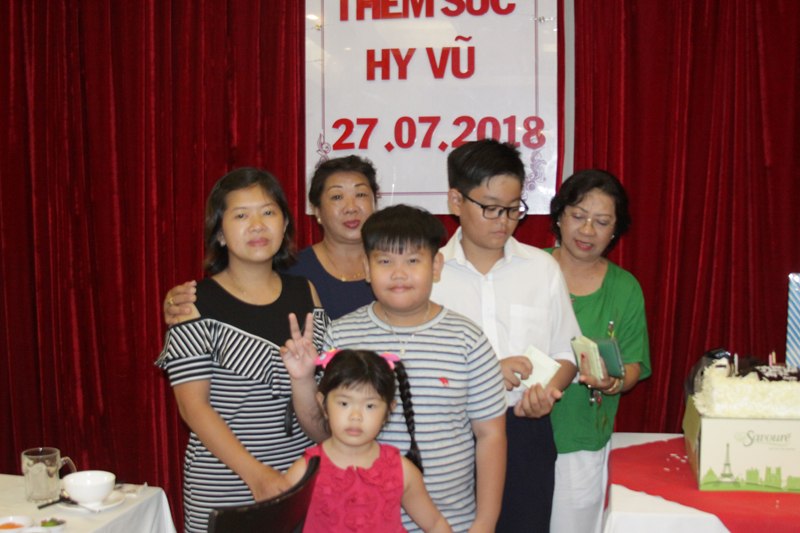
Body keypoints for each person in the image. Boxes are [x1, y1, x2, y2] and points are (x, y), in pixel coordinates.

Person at [282, 204, 507, 533]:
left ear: (436, 266)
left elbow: (491, 435)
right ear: (366, 268)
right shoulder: (341, 336)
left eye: (413, 261)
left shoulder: (467, 339)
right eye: (385, 261)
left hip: (450, 524)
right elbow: (324, 432)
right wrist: (302, 380)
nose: (399, 274)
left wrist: (484, 523)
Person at [155, 167, 328, 533]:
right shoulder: (193, 302)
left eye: (268, 212)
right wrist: (257, 475)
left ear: (285, 224)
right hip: (226, 483)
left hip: (300, 479)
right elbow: (193, 407)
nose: (257, 225)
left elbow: (320, 391)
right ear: (219, 232)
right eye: (240, 215)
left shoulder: (306, 292)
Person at [429, 139, 581, 532]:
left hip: (524, 430)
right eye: (492, 208)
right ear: (455, 201)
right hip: (449, 435)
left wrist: (547, 392)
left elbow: (567, 352)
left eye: (514, 209)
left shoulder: (541, 268)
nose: (505, 221)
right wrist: (483, 374)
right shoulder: (431, 274)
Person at [546, 169, 651, 533]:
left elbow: (634, 365)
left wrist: (613, 382)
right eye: (578, 216)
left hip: (581, 439)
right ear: (559, 216)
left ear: (615, 230)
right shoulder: (528, 269)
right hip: (516, 434)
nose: (587, 230)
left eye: (602, 222)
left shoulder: (625, 288)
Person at [164, 155, 378, 322]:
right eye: (337, 197)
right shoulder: (291, 273)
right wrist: (177, 302)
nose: (351, 207)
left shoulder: (394, 268)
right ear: (316, 210)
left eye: (361, 195)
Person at [284, 348, 451, 533]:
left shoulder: (402, 470)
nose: (356, 416)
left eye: (370, 406)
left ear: (388, 410)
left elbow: (435, 523)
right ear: (323, 404)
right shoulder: (305, 471)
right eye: (344, 403)